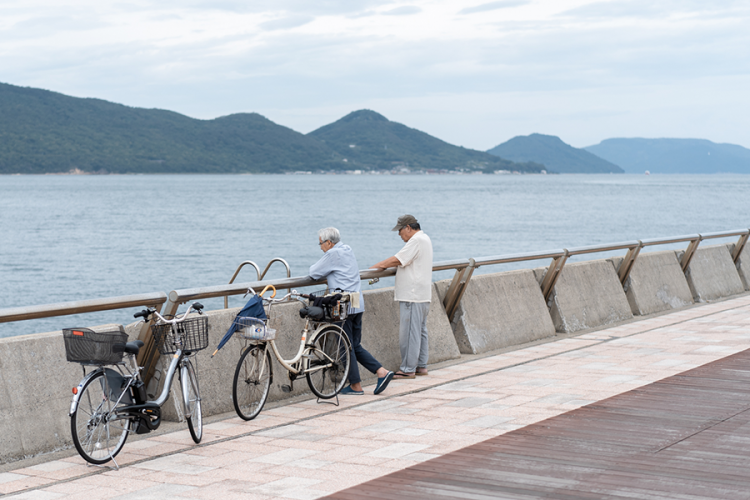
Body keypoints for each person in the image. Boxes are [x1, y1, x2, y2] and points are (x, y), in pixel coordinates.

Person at [309, 227, 394, 395]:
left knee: (345, 347)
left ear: (328, 242)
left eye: (320, 244)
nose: (320, 247)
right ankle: (381, 372)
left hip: (344, 307)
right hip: (357, 304)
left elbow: (313, 273)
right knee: (354, 345)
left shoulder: (333, 254)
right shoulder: (348, 249)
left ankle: (356, 385)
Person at [371, 215, 433, 379]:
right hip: (423, 294)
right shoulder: (425, 238)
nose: (399, 234)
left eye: (400, 230)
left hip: (412, 295)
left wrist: (375, 267)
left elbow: (397, 259)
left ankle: (407, 369)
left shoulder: (416, 240)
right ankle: (421, 366)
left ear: (408, 227)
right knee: (420, 331)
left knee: (409, 333)